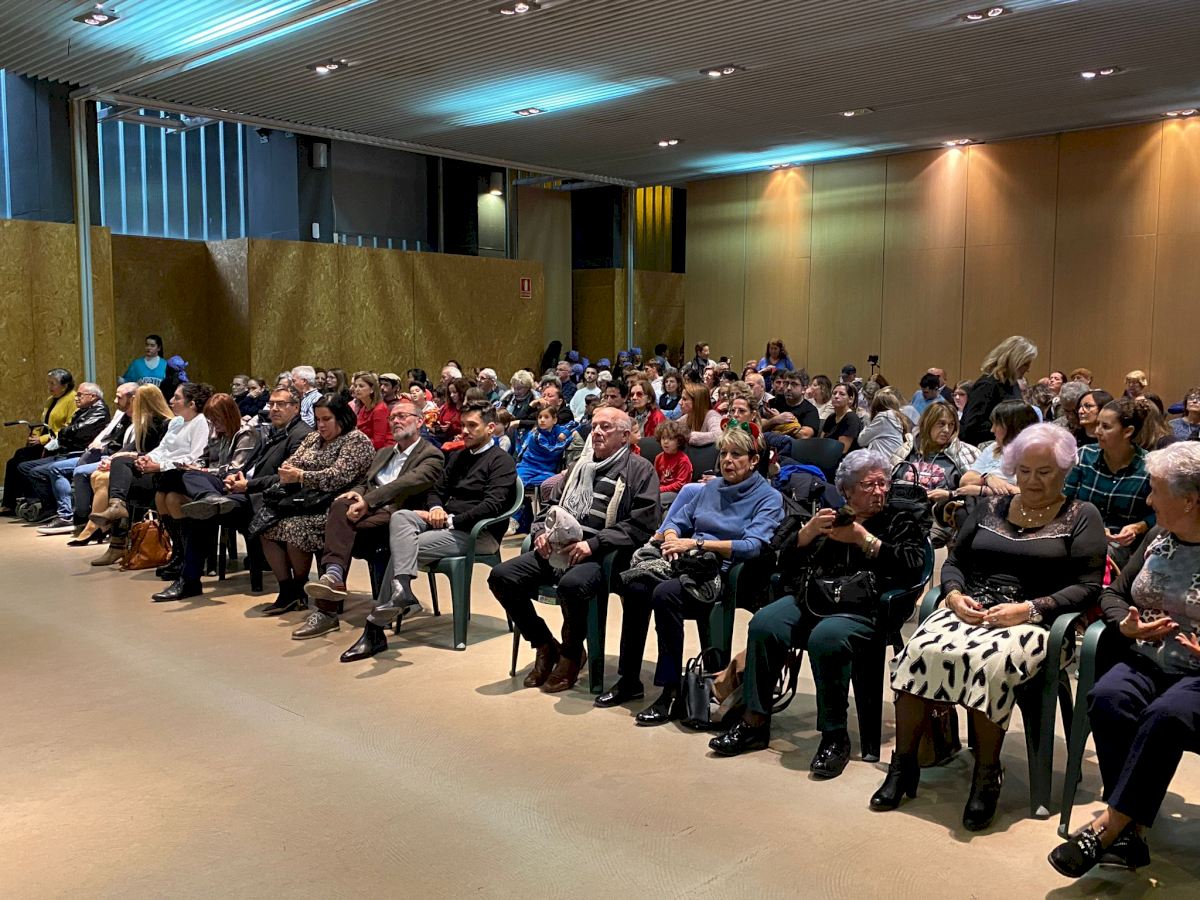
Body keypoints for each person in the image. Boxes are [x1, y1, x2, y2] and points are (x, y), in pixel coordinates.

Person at [875, 424, 1106, 830]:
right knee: (918, 649)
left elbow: (1088, 587)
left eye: (1045, 472)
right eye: (1025, 471)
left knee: (991, 663)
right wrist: (953, 595)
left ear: (1064, 471)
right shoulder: (990, 507)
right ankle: (903, 764)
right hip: (974, 607)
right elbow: (955, 561)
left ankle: (986, 776)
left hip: (1041, 621)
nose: (1032, 481)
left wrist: (1029, 609)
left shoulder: (1082, 515)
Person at [710, 448, 925, 774]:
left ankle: (835, 736)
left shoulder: (900, 519)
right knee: (765, 624)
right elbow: (782, 562)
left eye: (883, 483)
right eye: (869, 485)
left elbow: (914, 565)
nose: (879, 491)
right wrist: (807, 533)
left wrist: (864, 539)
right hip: (815, 598)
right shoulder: (832, 518)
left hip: (866, 607)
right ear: (847, 490)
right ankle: (754, 721)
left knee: (826, 637)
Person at [1049, 442, 1200, 878]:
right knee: (1108, 698)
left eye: (1156, 491)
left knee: (1166, 715)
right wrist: (1125, 626)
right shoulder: (1157, 539)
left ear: (1189, 501)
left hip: (1196, 674)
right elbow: (1114, 593)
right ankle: (1131, 832)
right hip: (1148, 660)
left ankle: (1110, 825)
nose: (1148, 501)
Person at [612, 428, 783, 720]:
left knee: (664, 594)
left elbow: (752, 546)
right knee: (635, 586)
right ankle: (629, 680)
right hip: (688, 563)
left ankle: (670, 692)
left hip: (721, 573)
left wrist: (696, 544)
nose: (727, 460)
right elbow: (676, 520)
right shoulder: (711, 488)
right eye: (724, 453)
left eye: (736, 454)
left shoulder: (768, 497)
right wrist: (671, 538)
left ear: (754, 460)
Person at [490, 407, 658, 693]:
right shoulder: (579, 466)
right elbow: (549, 507)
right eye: (595, 426)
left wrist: (593, 544)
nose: (597, 432)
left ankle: (570, 654)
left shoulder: (640, 469)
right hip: (557, 548)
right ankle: (545, 645)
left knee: (572, 585)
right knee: (502, 576)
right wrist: (541, 533)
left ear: (625, 436)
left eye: (606, 427)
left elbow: (641, 523)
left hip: (601, 554)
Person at [339, 405, 517, 661]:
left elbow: (493, 505)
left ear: (490, 428)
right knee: (402, 517)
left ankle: (374, 628)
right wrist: (435, 508)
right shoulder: (459, 456)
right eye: (463, 425)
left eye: (472, 426)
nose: (465, 431)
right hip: (446, 524)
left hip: (477, 533)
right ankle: (402, 589)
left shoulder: (501, 461)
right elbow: (436, 490)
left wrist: (451, 520)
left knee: (403, 548)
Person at [285, 399, 444, 633]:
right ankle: (334, 577)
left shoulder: (431, 455)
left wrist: (367, 501)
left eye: (402, 416)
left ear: (419, 421)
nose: (396, 421)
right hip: (369, 513)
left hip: (398, 516)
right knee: (340, 504)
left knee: (336, 529)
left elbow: (404, 484)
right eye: (392, 417)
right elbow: (365, 482)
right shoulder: (384, 453)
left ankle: (327, 607)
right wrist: (357, 493)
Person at [256, 394, 375, 617]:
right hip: (304, 501)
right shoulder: (313, 438)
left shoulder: (356, 440)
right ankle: (287, 590)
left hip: (336, 505)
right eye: (318, 419)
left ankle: (300, 588)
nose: (320, 425)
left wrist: (302, 476)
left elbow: (337, 477)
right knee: (265, 526)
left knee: (295, 529)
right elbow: (290, 463)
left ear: (342, 418)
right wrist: (294, 472)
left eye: (326, 419)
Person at [88, 382, 215, 566]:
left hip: (177, 474)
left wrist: (158, 466)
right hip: (161, 471)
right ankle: (116, 506)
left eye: (177, 398)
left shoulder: (200, 423)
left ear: (192, 404)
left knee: (132, 486)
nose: (171, 401)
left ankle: (178, 553)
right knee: (120, 464)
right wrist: (146, 458)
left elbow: (195, 458)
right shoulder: (176, 422)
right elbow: (162, 449)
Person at [150, 393, 261, 592]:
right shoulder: (217, 434)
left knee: (189, 480)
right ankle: (182, 557)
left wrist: (201, 470)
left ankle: (188, 577)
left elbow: (234, 469)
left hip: (236, 488)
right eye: (211, 420)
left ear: (228, 415)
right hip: (216, 487)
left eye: (217, 419)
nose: (214, 424)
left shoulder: (246, 433)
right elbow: (204, 457)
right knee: (174, 493)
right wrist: (194, 466)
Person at [70, 385, 171, 545]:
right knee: (99, 474)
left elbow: (160, 454)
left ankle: (96, 526)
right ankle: (105, 524)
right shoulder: (143, 422)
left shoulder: (166, 423)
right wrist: (113, 458)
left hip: (154, 472)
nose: (133, 404)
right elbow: (130, 447)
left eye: (136, 400)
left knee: (105, 478)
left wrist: (127, 456)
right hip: (137, 466)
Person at [1064, 397, 1154, 568]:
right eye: (1098, 424)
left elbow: (1158, 515)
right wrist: (1092, 526)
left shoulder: (1148, 467)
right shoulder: (1084, 455)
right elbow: (1065, 499)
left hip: (1122, 546)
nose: (1097, 431)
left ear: (1128, 432)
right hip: (1080, 532)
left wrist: (1138, 527)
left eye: (1105, 427)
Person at [20, 383, 110, 532]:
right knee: (28, 468)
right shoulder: (82, 410)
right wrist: (65, 433)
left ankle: (65, 516)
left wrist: (64, 433)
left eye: (80, 395)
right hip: (68, 452)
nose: (76, 397)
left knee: (56, 469)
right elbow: (69, 432)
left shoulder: (99, 411)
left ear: (92, 396)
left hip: (85, 455)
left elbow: (77, 432)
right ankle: (51, 508)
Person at [1, 369, 77, 515]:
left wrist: (42, 439)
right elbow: (45, 423)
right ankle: (9, 503)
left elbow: (68, 429)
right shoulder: (51, 400)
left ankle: (33, 499)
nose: (49, 387)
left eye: (53, 384)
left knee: (23, 462)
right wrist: (35, 434)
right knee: (14, 460)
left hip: (58, 444)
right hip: (45, 441)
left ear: (65, 385)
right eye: (48, 383)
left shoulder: (72, 400)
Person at [891, 402, 980, 509]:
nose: (947, 430)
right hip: (902, 510)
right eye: (941, 424)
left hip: (941, 515)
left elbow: (978, 493)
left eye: (951, 425)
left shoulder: (966, 453)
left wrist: (950, 495)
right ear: (927, 424)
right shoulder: (906, 450)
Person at [960, 335, 1037, 446]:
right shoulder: (987, 385)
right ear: (1013, 362)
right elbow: (972, 426)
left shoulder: (1012, 384)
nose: (1028, 369)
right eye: (1025, 364)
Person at [955, 400, 1039, 497]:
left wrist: (984, 490)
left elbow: (1035, 494)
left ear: (1013, 427)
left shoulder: (1037, 454)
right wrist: (987, 478)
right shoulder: (993, 448)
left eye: (997, 425)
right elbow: (964, 481)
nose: (992, 430)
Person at [764, 371, 820, 440]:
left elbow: (804, 435)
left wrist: (782, 422)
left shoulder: (810, 410)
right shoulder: (774, 402)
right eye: (786, 383)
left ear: (804, 389)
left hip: (795, 446)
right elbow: (760, 426)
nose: (788, 388)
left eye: (794, 384)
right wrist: (775, 420)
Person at [859, 387, 912, 458]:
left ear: (877, 405)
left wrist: (866, 420)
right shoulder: (898, 417)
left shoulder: (883, 417)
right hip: (891, 460)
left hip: (883, 461)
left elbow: (862, 441)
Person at [653, 418, 693, 510]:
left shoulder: (683, 460)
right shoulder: (658, 457)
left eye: (670, 438)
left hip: (678, 493)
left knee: (658, 500)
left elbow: (680, 484)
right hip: (660, 490)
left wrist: (661, 489)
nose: (665, 442)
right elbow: (655, 478)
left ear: (679, 441)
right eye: (663, 438)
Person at [347, 371, 390, 451]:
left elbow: (378, 442)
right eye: (356, 386)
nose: (357, 389)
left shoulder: (380, 409)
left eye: (361, 386)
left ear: (372, 389)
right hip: (365, 447)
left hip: (382, 451)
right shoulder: (363, 407)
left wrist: (356, 446)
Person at [820, 382, 862, 456]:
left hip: (842, 459)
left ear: (850, 399)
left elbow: (842, 449)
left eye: (842, 394)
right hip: (825, 455)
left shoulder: (851, 419)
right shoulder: (831, 417)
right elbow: (821, 441)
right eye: (834, 393)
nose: (836, 396)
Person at [679, 382, 724, 447]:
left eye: (684, 399)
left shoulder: (712, 416)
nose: (680, 402)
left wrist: (689, 436)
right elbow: (671, 428)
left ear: (697, 401)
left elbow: (720, 435)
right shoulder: (688, 416)